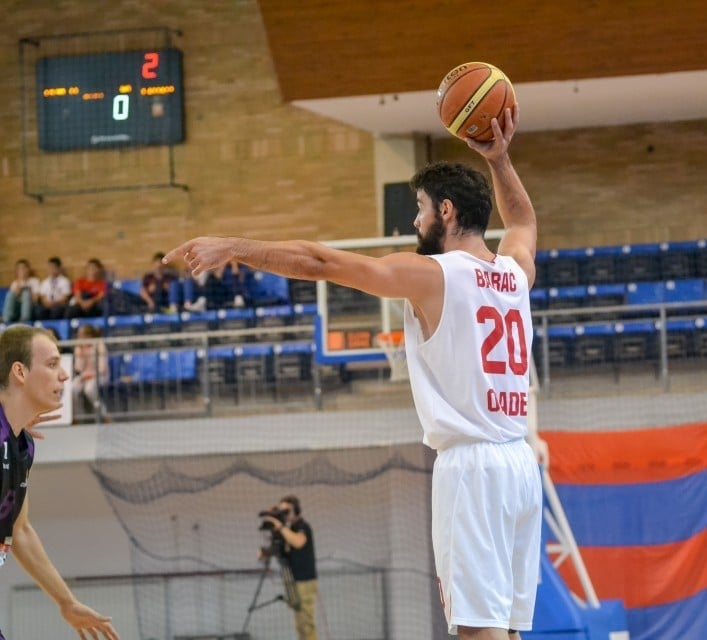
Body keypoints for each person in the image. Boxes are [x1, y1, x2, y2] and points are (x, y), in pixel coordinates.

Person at [166, 108, 548, 639]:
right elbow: (524, 223)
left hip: (473, 468)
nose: (414, 223)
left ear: (446, 209)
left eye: (419, 209)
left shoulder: (433, 274)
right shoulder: (513, 271)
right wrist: (500, 159)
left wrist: (234, 247)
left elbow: (321, 263)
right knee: (507, 630)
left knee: (477, 631)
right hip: (520, 465)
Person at [0, 325, 119, 639]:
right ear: (19, 372)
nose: (65, 375)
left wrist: (66, 602)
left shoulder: (21, 446)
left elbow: (19, 530)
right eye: (52, 364)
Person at [261, 495, 318, 640]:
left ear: (296, 511)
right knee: (299, 625)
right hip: (293, 580)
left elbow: (298, 542)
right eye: (281, 511)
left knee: (307, 624)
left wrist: (281, 527)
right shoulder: (289, 528)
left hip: (305, 581)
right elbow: (281, 550)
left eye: (286, 511)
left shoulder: (302, 527)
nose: (284, 515)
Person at [72, 324, 109, 422]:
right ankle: (76, 417)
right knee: (73, 388)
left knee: (89, 389)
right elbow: (78, 368)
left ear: (90, 336)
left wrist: (91, 374)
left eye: (82, 336)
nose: (80, 338)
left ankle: (104, 415)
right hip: (84, 376)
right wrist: (80, 353)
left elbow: (102, 368)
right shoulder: (78, 347)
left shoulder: (99, 345)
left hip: (100, 375)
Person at [2, 259, 39, 324]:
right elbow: (12, 300)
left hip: (30, 308)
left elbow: (35, 299)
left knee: (26, 293)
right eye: (19, 269)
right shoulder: (15, 283)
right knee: (10, 294)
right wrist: (20, 281)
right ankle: (5, 319)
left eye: (24, 268)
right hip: (17, 309)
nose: (22, 270)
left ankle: (25, 319)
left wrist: (27, 290)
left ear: (28, 269)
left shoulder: (34, 281)